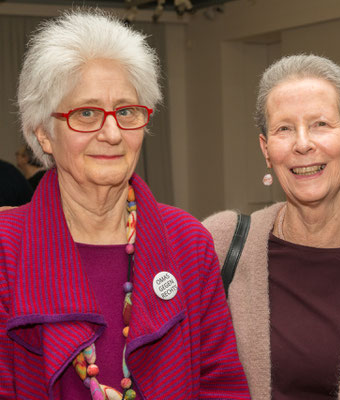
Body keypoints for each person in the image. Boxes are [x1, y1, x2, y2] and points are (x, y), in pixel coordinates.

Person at [0, 10, 249, 399]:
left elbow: (222, 388)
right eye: (86, 113)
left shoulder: (187, 242)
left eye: (127, 111)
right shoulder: (6, 251)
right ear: (43, 134)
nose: (113, 133)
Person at [203, 54, 340, 400]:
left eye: (320, 124)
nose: (302, 143)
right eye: (284, 129)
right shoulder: (220, 244)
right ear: (266, 149)